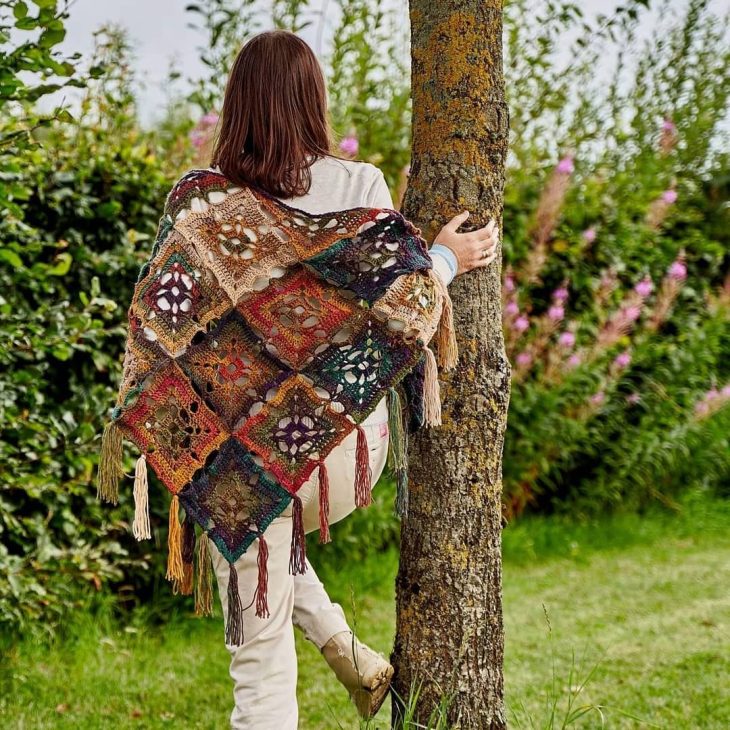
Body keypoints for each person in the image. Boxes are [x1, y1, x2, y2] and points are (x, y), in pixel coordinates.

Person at [201, 29, 499, 729]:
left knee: (219, 485)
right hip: (343, 450)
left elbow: (180, 347)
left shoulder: (205, 205)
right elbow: (403, 307)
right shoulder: (358, 185)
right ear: (314, 99)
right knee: (246, 511)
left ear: (238, 103)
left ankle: (335, 645)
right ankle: (348, 652)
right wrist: (444, 260)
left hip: (264, 448)